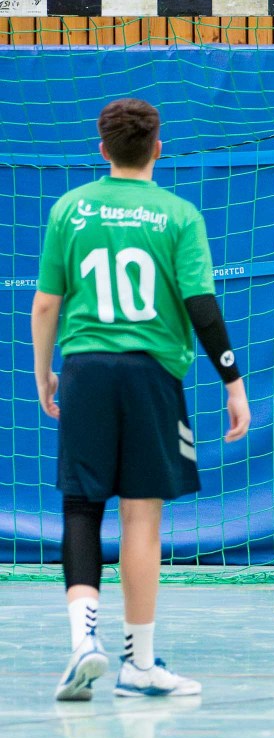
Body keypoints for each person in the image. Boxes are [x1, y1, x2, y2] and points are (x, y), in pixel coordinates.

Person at [32, 98, 251, 700]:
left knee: (81, 507)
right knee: (141, 515)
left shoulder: (70, 208)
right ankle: (139, 663)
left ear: (102, 148)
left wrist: (45, 373)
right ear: (158, 147)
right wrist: (233, 383)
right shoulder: (178, 214)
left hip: (85, 371)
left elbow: (47, 303)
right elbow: (201, 306)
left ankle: (84, 641)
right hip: (152, 375)